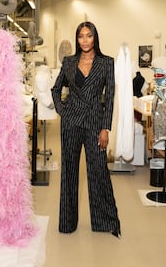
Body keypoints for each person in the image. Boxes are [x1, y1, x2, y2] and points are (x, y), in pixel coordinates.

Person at [51, 21, 121, 238]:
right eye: (81, 36)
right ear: (77, 39)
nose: (84, 40)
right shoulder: (69, 62)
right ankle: (67, 223)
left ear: (95, 38)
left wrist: (105, 128)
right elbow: (56, 89)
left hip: (94, 123)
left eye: (88, 36)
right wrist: (63, 111)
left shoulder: (106, 62)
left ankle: (105, 222)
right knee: (69, 171)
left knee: (98, 170)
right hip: (71, 123)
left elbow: (109, 99)